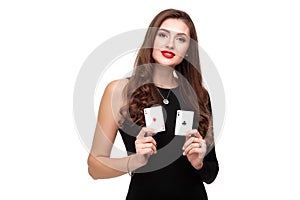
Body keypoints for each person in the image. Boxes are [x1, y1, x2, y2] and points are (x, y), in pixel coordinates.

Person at [87, 8, 219, 199]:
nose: (170, 44)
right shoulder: (119, 91)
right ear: (151, 39)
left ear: (188, 49)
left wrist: (198, 163)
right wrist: (135, 161)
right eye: (163, 35)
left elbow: (211, 172)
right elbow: (94, 168)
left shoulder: (199, 96)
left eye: (181, 39)